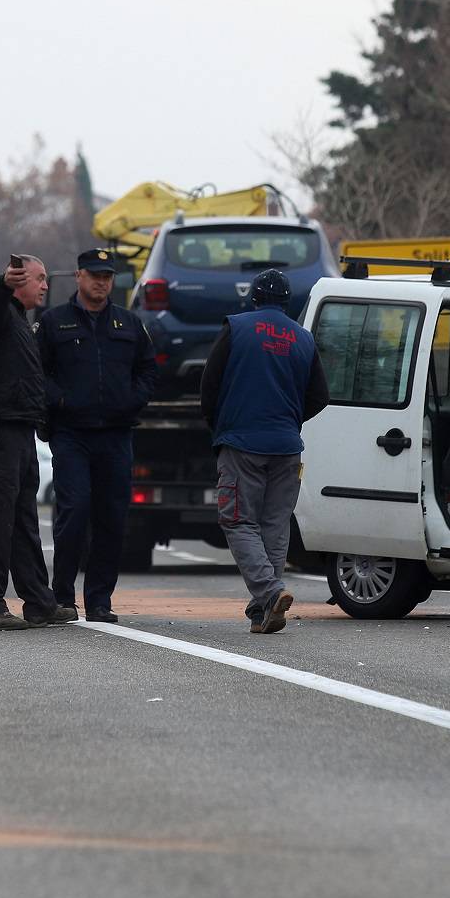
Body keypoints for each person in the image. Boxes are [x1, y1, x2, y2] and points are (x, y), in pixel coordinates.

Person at [200, 269, 329, 634]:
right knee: (274, 525)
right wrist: (290, 420)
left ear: (253, 298)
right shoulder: (304, 339)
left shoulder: (237, 328)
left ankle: (270, 592)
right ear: (287, 302)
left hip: (242, 442)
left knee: (238, 520)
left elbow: (210, 383)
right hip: (287, 447)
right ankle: (263, 612)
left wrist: (219, 425)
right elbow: (320, 396)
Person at [37, 247, 159, 623]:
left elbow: (148, 371)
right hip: (72, 433)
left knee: (112, 516)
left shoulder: (129, 324)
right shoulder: (54, 323)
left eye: (107, 276)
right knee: (74, 511)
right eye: (94, 275)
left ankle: (100, 601)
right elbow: (37, 373)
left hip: (116, 434)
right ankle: (63, 596)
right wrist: (61, 402)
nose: (102, 282)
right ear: (78, 277)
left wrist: (131, 401)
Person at [0, 255, 64, 631]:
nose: (44, 285)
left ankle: (39, 602)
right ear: (17, 282)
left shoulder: (19, 322)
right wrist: (2, 282)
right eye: (38, 278)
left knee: (24, 521)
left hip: (19, 430)